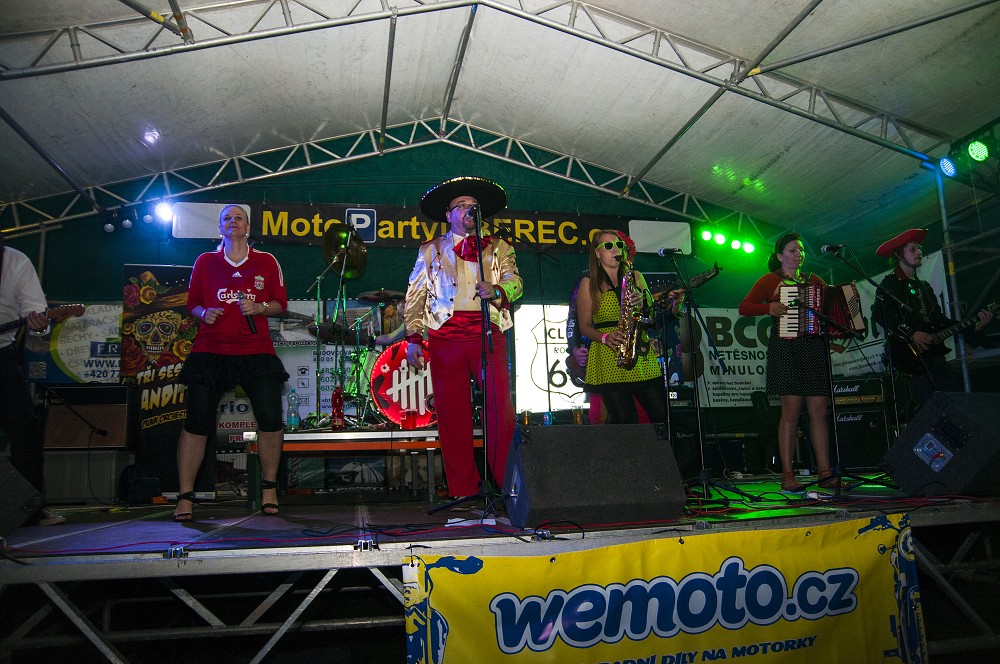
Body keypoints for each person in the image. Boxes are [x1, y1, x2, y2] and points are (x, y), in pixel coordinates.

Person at [404, 176, 523, 499]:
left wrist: (498, 289)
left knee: (500, 410)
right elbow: (415, 296)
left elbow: (516, 282)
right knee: (453, 415)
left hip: (488, 332)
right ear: (449, 215)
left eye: (473, 205)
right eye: (461, 205)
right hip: (445, 334)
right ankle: (462, 491)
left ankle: (510, 488)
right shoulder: (430, 249)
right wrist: (414, 338)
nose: (469, 209)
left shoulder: (499, 247)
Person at [173, 204, 289, 521]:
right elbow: (193, 304)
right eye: (227, 218)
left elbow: (280, 304)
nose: (233, 221)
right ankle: (185, 497)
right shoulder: (205, 261)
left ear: (247, 227)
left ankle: (269, 488)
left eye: (239, 217)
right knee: (197, 422)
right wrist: (204, 313)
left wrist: (260, 307)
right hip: (211, 350)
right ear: (220, 228)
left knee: (270, 418)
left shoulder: (267, 261)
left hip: (256, 350)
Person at [738, 232, 839, 492]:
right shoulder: (770, 280)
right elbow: (744, 307)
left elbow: (828, 309)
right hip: (785, 348)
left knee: (819, 412)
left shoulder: (814, 280)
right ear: (780, 255)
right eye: (793, 250)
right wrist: (767, 308)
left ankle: (825, 472)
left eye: (801, 250)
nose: (799, 254)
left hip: (813, 348)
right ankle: (787, 474)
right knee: (790, 412)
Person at [871, 228, 993, 415]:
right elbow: (880, 315)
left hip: (934, 355)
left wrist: (973, 327)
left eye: (919, 248)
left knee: (952, 403)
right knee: (928, 410)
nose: (919, 252)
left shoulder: (924, 287)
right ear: (898, 255)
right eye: (912, 249)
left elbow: (940, 320)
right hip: (911, 358)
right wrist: (911, 333)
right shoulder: (889, 285)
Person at [575, 229, 681, 424]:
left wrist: (644, 302)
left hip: (640, 355)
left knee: (662, 416)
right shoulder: (588, 283)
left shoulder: (636, 277)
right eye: (609, 246)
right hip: (609, 356)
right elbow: (585, 327)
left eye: (619, 245)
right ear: (597, 253)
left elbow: (652, 319)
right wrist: (605, 338)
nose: (616, 249)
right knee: (623, 421)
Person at [0, 239, 66, 526]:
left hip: (2, 354)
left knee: (25, 428)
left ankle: (30, 507)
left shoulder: (15, 261)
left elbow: (36, 310)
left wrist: (40, 322)